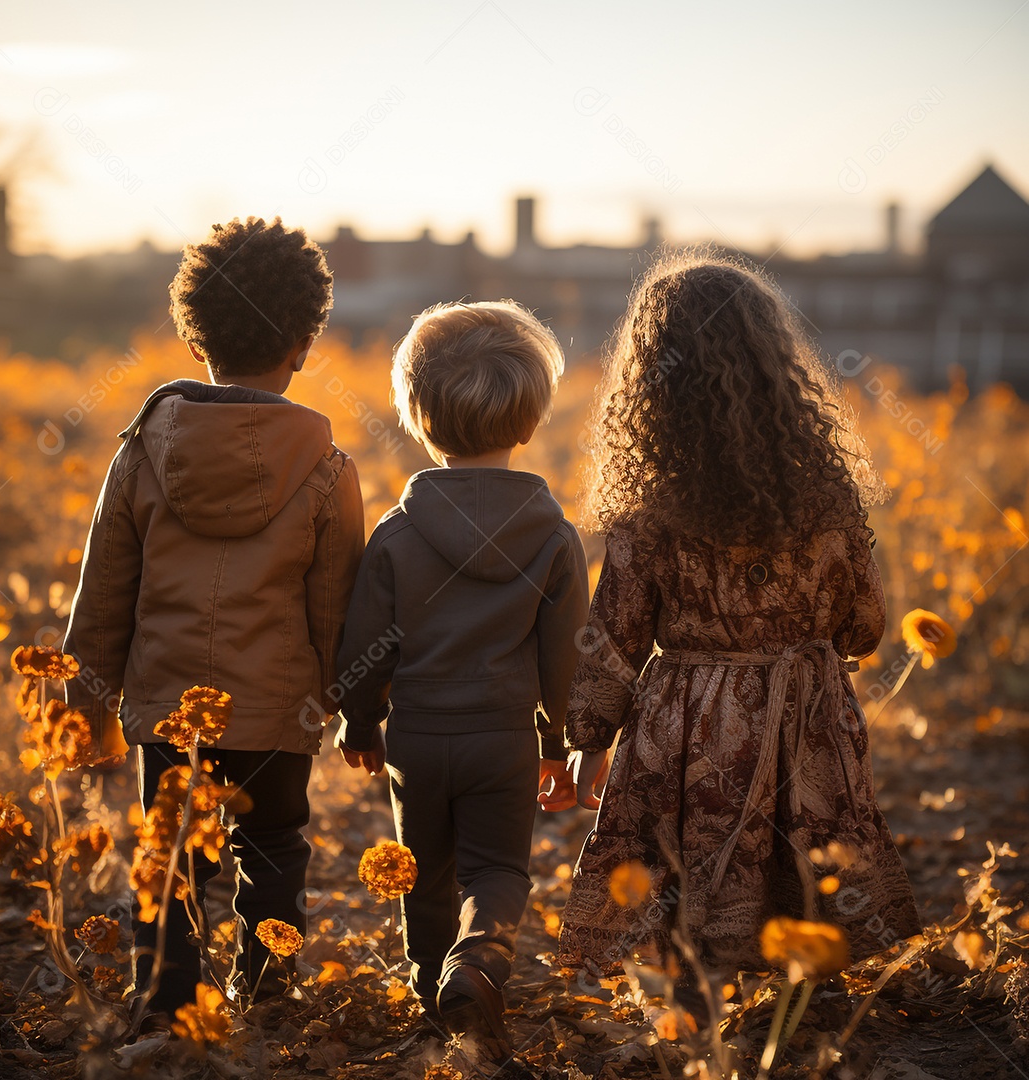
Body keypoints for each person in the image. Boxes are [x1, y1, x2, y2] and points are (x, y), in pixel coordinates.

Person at [554, 255, 921, 979]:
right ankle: (809, 976)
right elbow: (865, 625)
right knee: (807, 836)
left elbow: (614, 634)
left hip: (689, 724)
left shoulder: (649, 507)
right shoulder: (826, 496)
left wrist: (588, 740)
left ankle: (694, 986)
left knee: (689, 847)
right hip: (807, 712)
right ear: (774, 363)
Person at [63, 217, 364, 1016]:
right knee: (271, 847)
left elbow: (104, 593)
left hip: (168, 709)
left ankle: (163, 994)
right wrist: (346, 703)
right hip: (274, 709)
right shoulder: (330, 471)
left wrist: (85, 704)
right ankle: (266, 989)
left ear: (196, 341)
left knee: (168, 856)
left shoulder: (140, 453)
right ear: (304, 343)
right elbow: (336, 607)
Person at [335, 300, 588, 1043]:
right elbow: (563, 656)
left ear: (417, 417)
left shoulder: (395, 533)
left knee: (424, 868)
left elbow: (365, 642)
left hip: (415, 734)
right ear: (529, 418)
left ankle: (427, 988)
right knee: (499, 871)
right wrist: (562, 741)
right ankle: (476, 963)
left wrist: (359, 717)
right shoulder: (555, 539)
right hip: (503, 736)